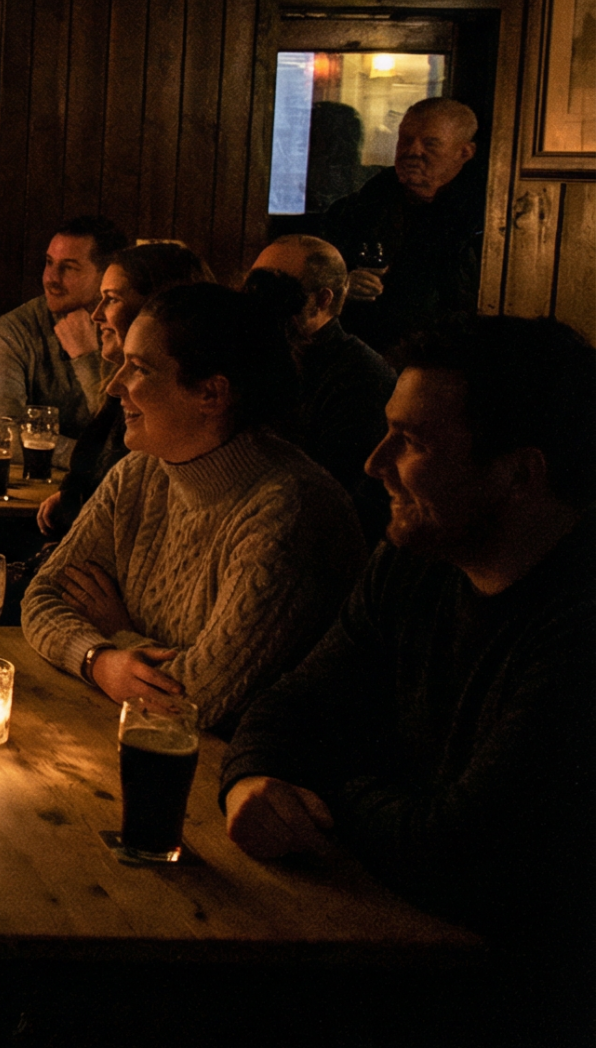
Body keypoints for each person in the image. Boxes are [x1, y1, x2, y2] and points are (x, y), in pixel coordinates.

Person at [223, 316, 596, 1048]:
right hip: (385, 952)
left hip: (512, 1019)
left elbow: (456, 850)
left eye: (413, 442)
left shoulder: (578, 625)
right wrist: (253, 781)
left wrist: (326, 789)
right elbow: (284, 707)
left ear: (521, 474)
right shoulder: (417, 560)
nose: (373, 462)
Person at [20, 284, 363, 730]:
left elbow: (196, 699)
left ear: (212, 395)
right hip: (127, 735)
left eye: (138, 368)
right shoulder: (140, 473)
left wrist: (118, 631)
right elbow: (42, 597)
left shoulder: (287, 511)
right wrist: (100, 659)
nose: (113, 385)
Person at [39, 242, 213, 540]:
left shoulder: (168, 410)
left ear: (157, 306)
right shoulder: (117, 392)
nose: (96, 315)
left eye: (111, 299)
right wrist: (73, 497)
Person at [247, 234, 394, 537]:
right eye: (254, 284)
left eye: (276, 287)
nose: (257, 299)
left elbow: (335, 487)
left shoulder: (360, 377)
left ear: (322, 300)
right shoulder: (252, 354)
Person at [321, 97, 486, 353]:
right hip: (360, 354)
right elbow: (315, 281)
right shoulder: (355, 210)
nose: (413, 151)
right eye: (406, 140)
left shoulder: (486, 221)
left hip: (442, 358)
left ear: (464, 152)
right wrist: (343, 286)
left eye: (430, 143)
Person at [0, 214, 128, 462]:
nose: (51, 278)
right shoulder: (15, 329)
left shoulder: (129, 326)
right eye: (49, 263)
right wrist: (91, 458)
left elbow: (123, 434)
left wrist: (87, 359)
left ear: (106, 274)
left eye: (68, 268)